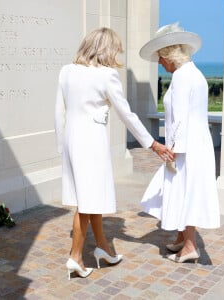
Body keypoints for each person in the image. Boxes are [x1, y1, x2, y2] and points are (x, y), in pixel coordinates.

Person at [55, 27, 174, 279]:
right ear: (107, 49)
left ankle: (103, 248)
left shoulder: (66, 71)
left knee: (90, 196)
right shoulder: (107, 75)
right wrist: (152, 143)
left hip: (70, 141)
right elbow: (126, 114)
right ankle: (75, 257)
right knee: (86, 202)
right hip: (92, 143)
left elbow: (59, 113)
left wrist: (61, 148)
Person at [140, 23, 220, 263]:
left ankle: (189, 246)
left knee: (186, 192)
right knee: (184, 191)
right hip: (196, 144)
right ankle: (181, 237)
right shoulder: (192, 73)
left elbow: (182, 116)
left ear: (169, 55)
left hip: (186, 147)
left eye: (161, 59)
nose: (160, 64)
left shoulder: (183, 76)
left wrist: (173, 149)